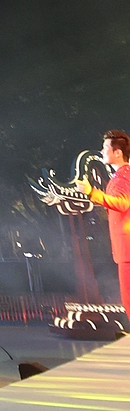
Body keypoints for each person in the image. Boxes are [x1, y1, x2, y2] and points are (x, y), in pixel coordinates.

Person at [82, 129, 130, 316]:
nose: (102, 151)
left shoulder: (123, 176)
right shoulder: (121, 176)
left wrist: (91, 192)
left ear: (117, 152)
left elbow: (122, 202)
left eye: (105, 148)